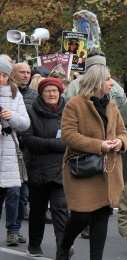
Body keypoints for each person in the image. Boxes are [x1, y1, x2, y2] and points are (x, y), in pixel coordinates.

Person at [56, 63, 127, 260]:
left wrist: (119, 142)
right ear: (96, 81)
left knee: (102, 215)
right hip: (82, 169)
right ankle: (65, 245)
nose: (111, 83)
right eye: (107, 79)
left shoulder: (112, 105)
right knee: (81, 214)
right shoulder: (75, 104)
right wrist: (100, 145)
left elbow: (123, 132)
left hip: (108, 169)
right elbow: (68, 136)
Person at [20, 78, 68, 257]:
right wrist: (56, 144)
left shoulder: (68, 110)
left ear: (60, 92)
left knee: (61, 210)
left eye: (54, 90)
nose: (51, 94)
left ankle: (62, 248)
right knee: (38, 211)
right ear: (41, 93)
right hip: (38, 169)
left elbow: (73, 137)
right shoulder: (31, 111)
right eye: (47, 90)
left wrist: (60, 144)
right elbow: (28, 140)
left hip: (61, 169)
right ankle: (34, 245)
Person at [0, 57, 30, 246]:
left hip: (10, 149)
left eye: (4, 75)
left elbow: (25, 123)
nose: (1, 79)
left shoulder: (15, 94)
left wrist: (12, 117)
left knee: (14, 194)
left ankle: (13, 230)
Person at [11, 62, 36, 236]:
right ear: (13, 73)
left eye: (28, 72)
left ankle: (15, 229)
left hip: (26, 151)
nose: (26, 75)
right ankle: (12, 228)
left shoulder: (35, 96)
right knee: (12, 193)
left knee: (21, 194)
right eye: (22, 72)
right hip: (7, 146)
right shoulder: (6, 93)